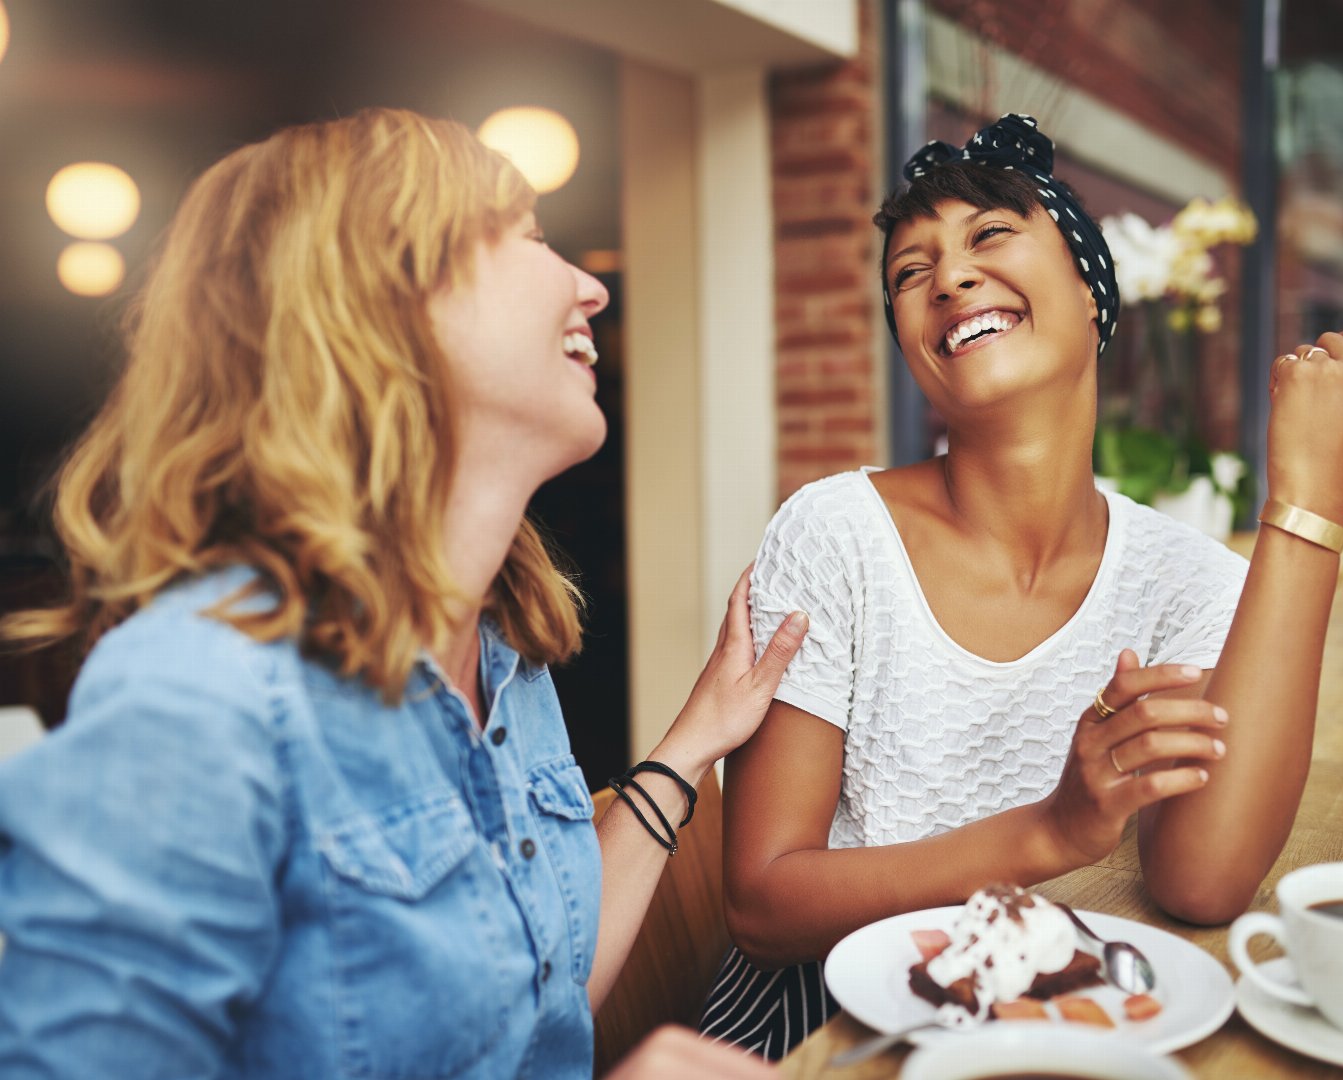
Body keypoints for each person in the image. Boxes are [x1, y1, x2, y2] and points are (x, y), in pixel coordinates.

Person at [0, 107, 805, 1079]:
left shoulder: (502, 656)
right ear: (388, 298)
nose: (592, 287)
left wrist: (696, 738)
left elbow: (536, 1003)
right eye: (535, 239)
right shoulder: (195, 702)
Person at [698, 114, 1343, 1059]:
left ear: (1092, 291)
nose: (948, 278)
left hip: (1052, 1025)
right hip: (816, 1031)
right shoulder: (833, 533)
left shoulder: (1188, 581)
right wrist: (1055, 831)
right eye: (911, 272)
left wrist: (1308, 497)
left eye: (989, 236)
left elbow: (1203, 884)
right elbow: (761, 903)